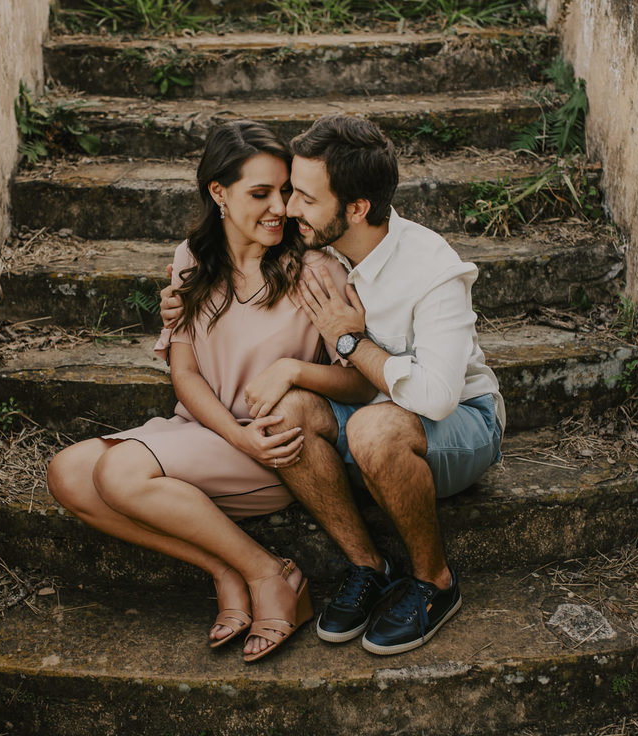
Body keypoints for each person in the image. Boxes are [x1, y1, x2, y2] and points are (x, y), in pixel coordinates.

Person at [161, 114, 505, 656]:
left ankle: (435, 583)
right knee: (288, 411)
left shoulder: (431, 269)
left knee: (374, 429)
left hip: (461, 421)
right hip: (371, 413)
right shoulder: (327, 247)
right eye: (289, 192)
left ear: (356, 208)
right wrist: (186, 301)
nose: (288, 208)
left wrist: (351, 343)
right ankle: (369, 566)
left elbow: (436, 398)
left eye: (303, 197)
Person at [47, 120, 374, 662]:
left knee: (118, 472)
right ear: (218, 192)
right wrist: (232, 436)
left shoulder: (315, 270)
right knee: (68, 474)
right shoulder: (191, 259)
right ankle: (231, 567)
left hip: (272, 450)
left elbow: (360, 383)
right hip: (207, 434)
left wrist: (292, 375)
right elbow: (186, 375)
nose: (279, 208)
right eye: (260, 193)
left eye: (285, 191)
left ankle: (271, 577)